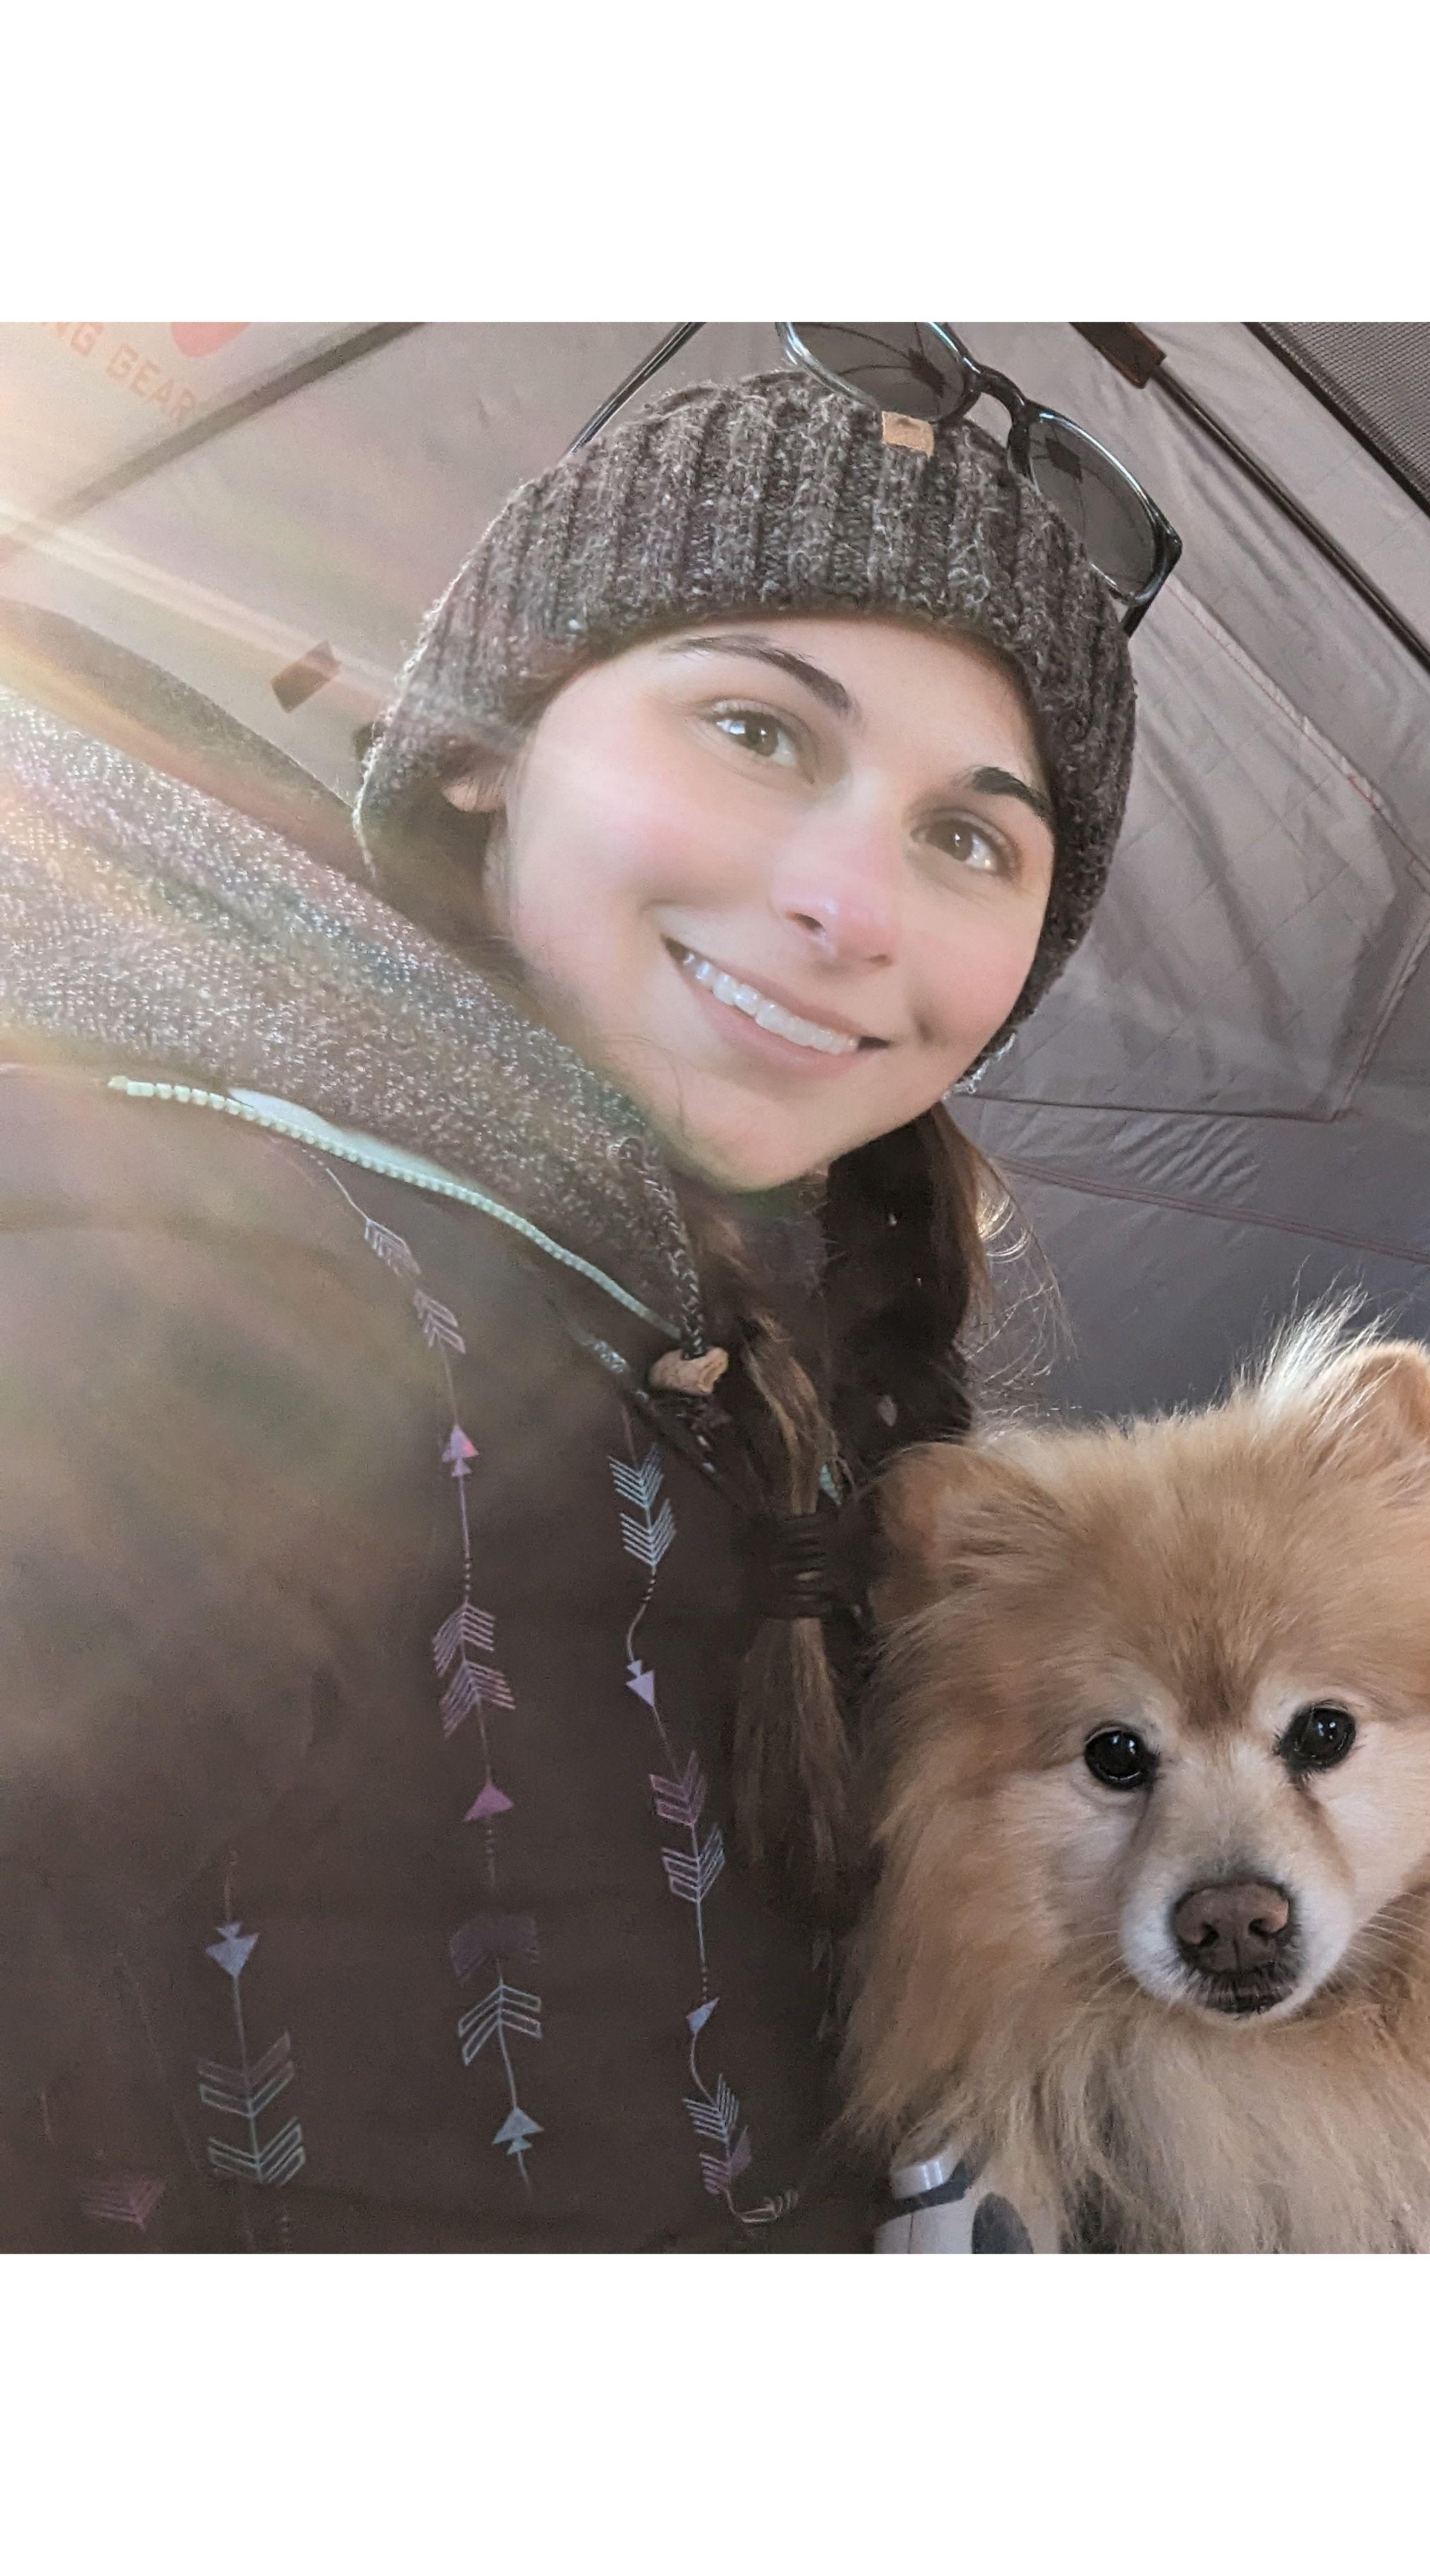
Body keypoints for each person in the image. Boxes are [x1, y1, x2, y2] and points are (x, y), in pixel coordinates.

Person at [0, 358, 1142, 2248]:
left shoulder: (816, 1375)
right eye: (759, 734)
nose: (854, 906)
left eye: (970, 836)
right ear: (483, 748)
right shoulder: (221, 1253)